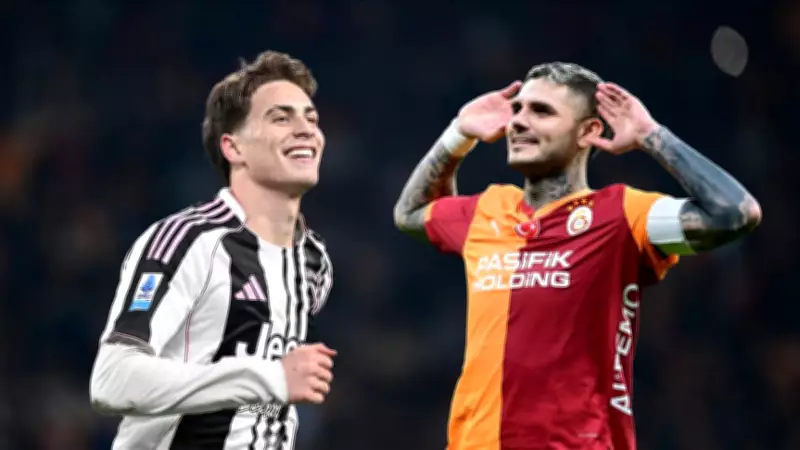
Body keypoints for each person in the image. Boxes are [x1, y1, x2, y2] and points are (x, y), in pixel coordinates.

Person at [393, 62, 761, 450]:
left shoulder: (622, 214)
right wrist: (458, 133)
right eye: (517, 109)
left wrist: (652, 136)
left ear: (588, 131)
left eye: (541, 111)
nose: (519, 122)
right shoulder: (488, 211)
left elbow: (734, 213)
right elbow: (410, 213)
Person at [90, 50, 336, 450]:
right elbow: (112, 380)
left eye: (311, 118)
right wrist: (269, 378)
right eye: (281, 118)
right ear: (233, 148)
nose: (306, 129)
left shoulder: (313, 261)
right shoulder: (188, 241)